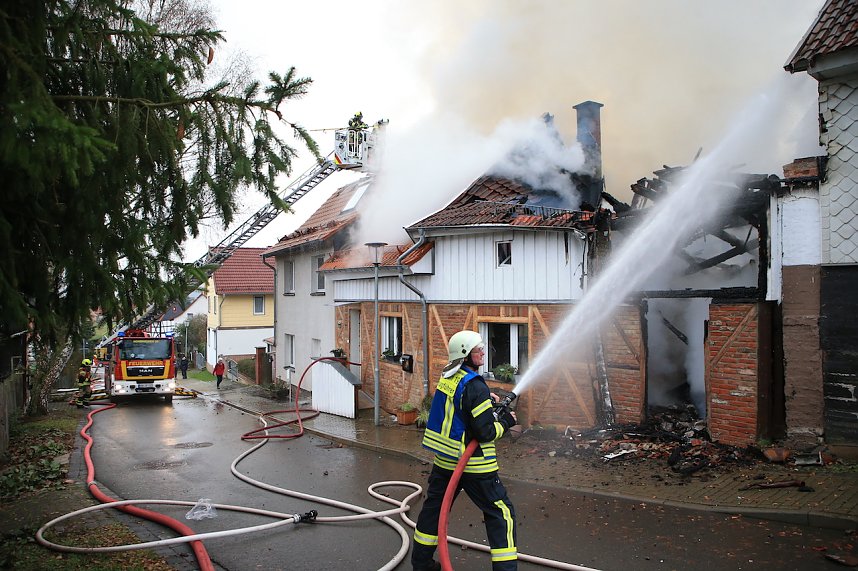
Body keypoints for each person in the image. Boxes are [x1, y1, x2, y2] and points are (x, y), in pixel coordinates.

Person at [411, 330, 518, 571]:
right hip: (475, 465)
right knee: (501, 514)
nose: (482, 352)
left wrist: (484, 400)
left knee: (435, 509)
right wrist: (507, 423)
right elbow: (485, 433)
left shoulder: (449, 376)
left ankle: (421, 563)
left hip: (446, 460)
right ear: (465, 355)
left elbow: (459, 406)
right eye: (477, 349)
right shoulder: (476, 386)